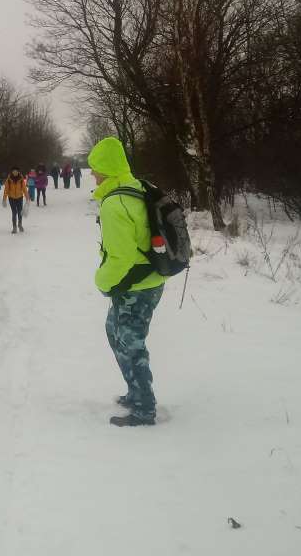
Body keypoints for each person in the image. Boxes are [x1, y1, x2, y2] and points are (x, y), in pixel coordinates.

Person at [89, 137, 167, 427]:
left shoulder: (114, 203)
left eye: (96, 168)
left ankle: (145, 408)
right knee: (115, 332)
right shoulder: (138, 188)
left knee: (131, 344)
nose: (93, 173)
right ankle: (136, 391)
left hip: (135, 286)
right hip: (150, 279)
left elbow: (120, 258)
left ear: (106, 168)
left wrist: (102, 283)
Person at [2, 167, 28, 234]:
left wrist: (27, 197)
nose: (15, 172)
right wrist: (4, 199)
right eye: (14, 171)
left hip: (20, 197)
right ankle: (14, 227)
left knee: (20, 212)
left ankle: (20, 224)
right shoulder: (9, 179)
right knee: (14, 212)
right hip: (11, 198)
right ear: (12, 172)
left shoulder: (21, 179)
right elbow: (6, 190)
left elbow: (24, 188)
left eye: (16, 171)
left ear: (18, 172)